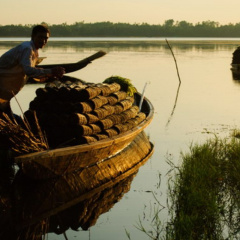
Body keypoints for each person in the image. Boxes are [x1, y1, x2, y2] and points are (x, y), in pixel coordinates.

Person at [0, 24, 65, 116]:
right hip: (2, 88)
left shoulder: (33, 50)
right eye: (40, 37)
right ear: (33, 36)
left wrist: (49, 74)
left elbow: (30, 72)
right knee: (12, 120)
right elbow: (29, 71)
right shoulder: (27, 48)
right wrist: (50, 71)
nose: (43, 40)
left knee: (10, 118)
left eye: (46, 38)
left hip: (4, 91)